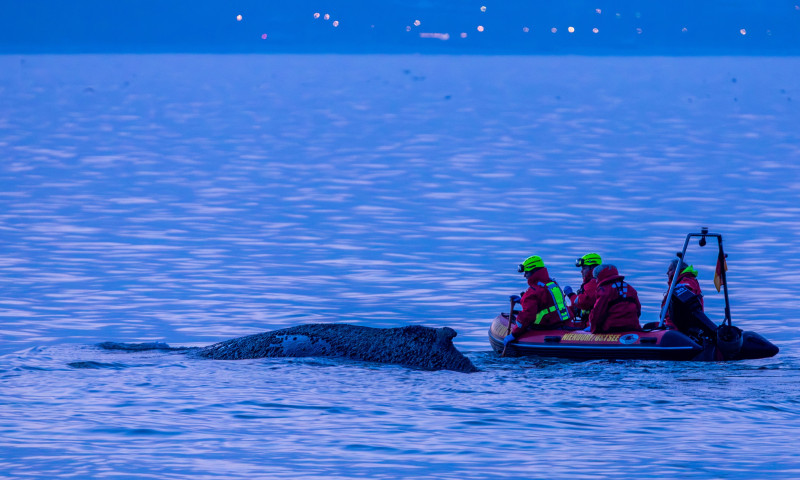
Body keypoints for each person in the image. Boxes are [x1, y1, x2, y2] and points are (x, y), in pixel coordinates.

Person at [503, 255, 573, 348]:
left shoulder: (533, 290)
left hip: (546, 326)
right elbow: (547, 303)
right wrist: (522, 301)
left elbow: (527, 316)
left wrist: (514, 334)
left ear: (533, 272)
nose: (524, 276)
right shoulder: (552, 283)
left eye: (526, 272)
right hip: (562, 324)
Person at [588, 264, 642, 333]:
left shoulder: (604, 290)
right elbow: (638, 310)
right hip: (633, 328)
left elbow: (597, 314)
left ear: (600, 276)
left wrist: (593, 329)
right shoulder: (630, 288)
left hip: (612, 329)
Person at [661, 259, 704, 329]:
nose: (667, 273)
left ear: (677, 270)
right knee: (649, 326)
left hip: (678, 327)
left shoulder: (687, 281)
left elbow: (686, 289)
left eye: (670, 270)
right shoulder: (676, 283)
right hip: (670, 324)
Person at [563, 253, 602, 321]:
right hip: (591, 321)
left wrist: (571, 295)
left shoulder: (593, 284)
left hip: (592, 323)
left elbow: (583, 303)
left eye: (584, 268)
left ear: (593, 268)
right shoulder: (593, 282)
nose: (581, 271)